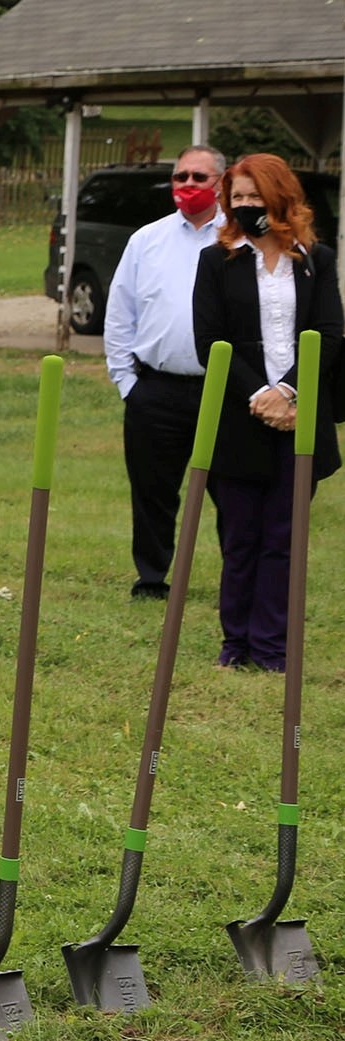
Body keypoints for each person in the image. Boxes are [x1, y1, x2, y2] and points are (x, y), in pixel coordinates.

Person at [189, 153, 342, 671]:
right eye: (238, 197)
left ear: (281, 196)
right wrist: (262, 395)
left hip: (300, 419)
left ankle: (272, 649)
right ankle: (236, 646)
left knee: (283, 538)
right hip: (240, 417)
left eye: (256, 196)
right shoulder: (217, 261)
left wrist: (292, 392)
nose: (247, 205)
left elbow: (332, 334)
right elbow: (209, 341)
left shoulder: (316, 258)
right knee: (240, 537)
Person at [104, 146, 226, 599]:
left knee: (230, 491)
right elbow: (120, 314)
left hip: (223, 390)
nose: (188, 186)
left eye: (199, 178)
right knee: (153, 491)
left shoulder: (235, 239)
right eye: (180, 177)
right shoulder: (146, 240)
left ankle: (237, 577)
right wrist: (127, 384)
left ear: (220, 184)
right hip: (155, 390)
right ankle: (152, 577)